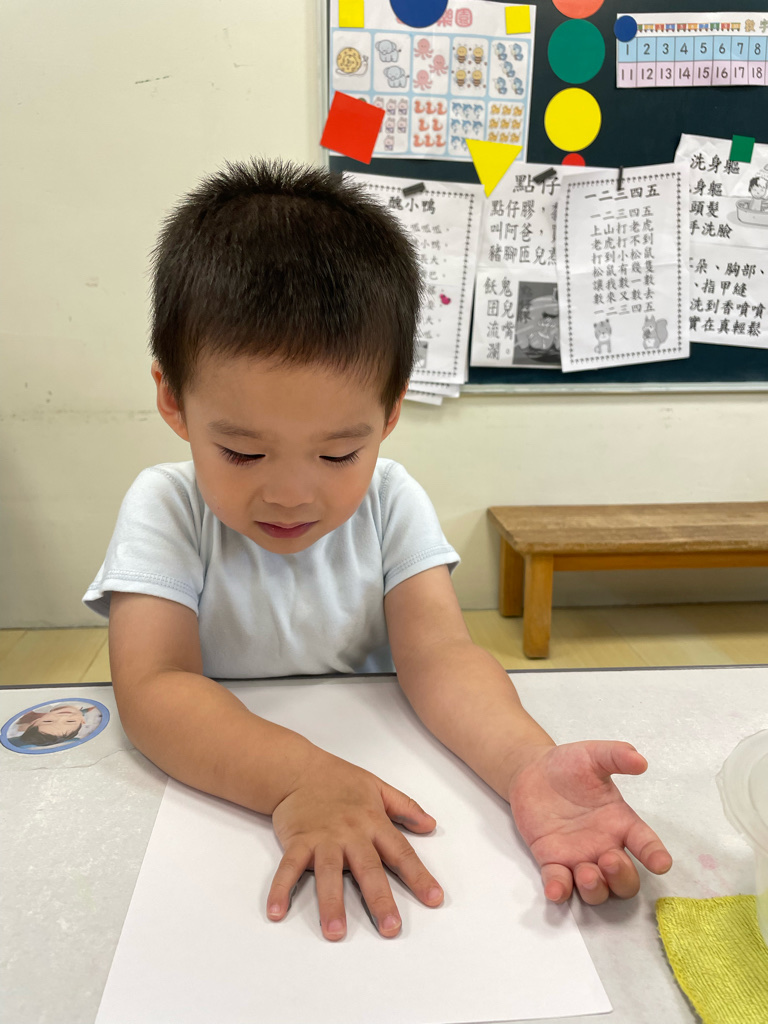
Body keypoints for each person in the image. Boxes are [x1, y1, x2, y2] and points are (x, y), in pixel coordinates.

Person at [83, 159, 672, 941]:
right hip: (216, 808)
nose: (291, 495)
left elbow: (441, 659)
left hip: (391, 768)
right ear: (173, 400)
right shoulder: (165, 506)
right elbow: (154, 688)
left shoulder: (392, 500)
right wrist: (300, 777)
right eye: (243, 453)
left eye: (337, 454)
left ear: (390, 413)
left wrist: (527, 764)